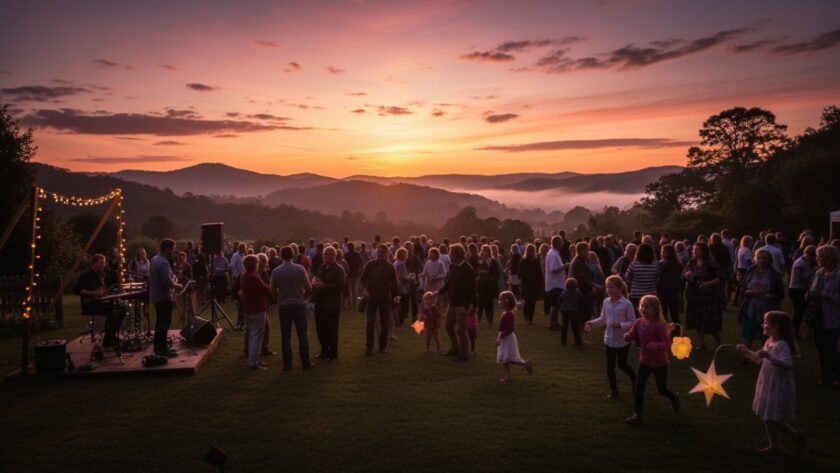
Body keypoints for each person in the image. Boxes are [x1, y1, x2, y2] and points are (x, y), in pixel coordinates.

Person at [737, 312, 804, 454]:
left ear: (776, 328)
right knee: (767, 415)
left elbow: (787, 364)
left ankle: (795, 434)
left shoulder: (782, 345)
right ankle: (774, 445)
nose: (763, 325)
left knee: (771, 416)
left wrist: (769, 356)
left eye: (766, 322)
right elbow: (759, 360)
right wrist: (747, 351)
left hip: (778, 385)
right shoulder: (769, 341)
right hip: (767, 383)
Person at [624, 295, 679, 425]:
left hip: (660, 363)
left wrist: (656, 345)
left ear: (655, 310)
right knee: (639, 388)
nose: (644, 309)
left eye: (647, 307)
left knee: (661, 389)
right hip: (644, 361)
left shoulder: (659, 326)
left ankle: (674, 397)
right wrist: (627, 336)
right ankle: (637, 415)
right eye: (642, 306)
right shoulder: (638, 322)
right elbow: (632, 335)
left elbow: (667, 343)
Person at [585, 276, 636, 400]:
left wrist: (621, 325)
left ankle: (636, 379)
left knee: (622, 365)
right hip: (609, 340)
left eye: (611, 287)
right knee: (610, 367)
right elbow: (603, 319)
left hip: (623, 341)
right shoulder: (606, 302)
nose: (608, 290)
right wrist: (592, 322)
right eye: (607, 287)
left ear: (619, 288)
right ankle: (614, 391)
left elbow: (633, 322)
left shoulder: (626, 304)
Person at [270, 246, 314, 371]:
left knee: (285, 336)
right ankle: (306, 362)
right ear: (293, 255)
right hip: (299, 304)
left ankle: (287, 365)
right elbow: (309, 287)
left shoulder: (276, 271)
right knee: (302, 335)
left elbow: (272, 290)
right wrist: (303, 297)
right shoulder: (300, 269)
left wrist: (278, 296)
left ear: (280, 255)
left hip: (284, 305)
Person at [738, 249, 784, 357]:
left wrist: (767, 295)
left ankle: (766, 357)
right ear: (755, 258)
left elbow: (780, 294)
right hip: (750, 307)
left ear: (769, 260)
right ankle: (745, 356)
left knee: (766, 334)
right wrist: (748, 291)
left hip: (767, 309)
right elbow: (742, 287)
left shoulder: (775, 274)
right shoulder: (751, 270)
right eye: (759, 258)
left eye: (764, 258)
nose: (761, 260)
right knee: (747, 333)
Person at [74, 254, 126, 348]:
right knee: (111, 312)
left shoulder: (99, 275)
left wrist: (106, 293)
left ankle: (111, 336)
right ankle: (108, 340)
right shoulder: (86, 275)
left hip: (99, 302)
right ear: (93, 263)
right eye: (101, 263)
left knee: (122, 308)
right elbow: (79, 291)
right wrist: (94, 293)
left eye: (104, 263)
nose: (103, 265)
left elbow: (100, 291)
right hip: (89, 304)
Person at [436, 243, 476, 361]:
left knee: (461, 330)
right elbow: (449, 283)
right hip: (452, 303)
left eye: (452, 253)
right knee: (448, 326)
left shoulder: (468, 269)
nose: (450, 255)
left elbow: (472, 290)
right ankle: (455, 348)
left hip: (462, 305)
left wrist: (467, 305)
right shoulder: (452, 266)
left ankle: (464, 353)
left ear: (458, 254)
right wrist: (438, 292)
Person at [807, 244, 840, 386]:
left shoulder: (838, 275)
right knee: (820, 346)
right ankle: (826, 376)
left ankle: (837, 375)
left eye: (820, 257)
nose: (817, 259)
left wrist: (823, 295)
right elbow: (813, 289)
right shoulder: (819, 272)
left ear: (830, 259)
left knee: (830, 347)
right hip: (818, 315)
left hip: (833, 316)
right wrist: (809, 294)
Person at [360, 244, 400, 355]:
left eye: (383, 253)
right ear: (376, 253)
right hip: (371, 297)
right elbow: (362, 280)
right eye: (379, 252)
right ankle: (369, 347)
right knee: (369, 322)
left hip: (385, 298)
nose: (381, 255)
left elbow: (395, 284)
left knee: (385, 323)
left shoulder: (390, 267)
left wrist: (396, 296)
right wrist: (364, 290)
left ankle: (382, 347)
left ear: (387, 254)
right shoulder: (369, 265)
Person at [684, 242, 724, 350]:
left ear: (703, 251)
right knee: (697, 320)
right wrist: (686, 275)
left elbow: (720, 277)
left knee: (709, 320)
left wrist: (707, 283)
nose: (695, 252)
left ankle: (719, 342)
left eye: (697, 249)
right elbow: (685, 273)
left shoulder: (711, 263)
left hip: (709, 296)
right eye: (694, 250)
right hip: (694, 295)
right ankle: (701, 343)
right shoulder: (691, 262)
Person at [313, 246, 346, 362]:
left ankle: (332, 353)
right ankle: (324, 351)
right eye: (325, 254)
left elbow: (340, 286)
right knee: (320, 328)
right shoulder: (320, 267)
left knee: (331, 329)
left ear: (335, 256)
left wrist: (324, 286)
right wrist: (315, 283)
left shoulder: (339, 270)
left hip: (332, 304)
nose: (327, 256)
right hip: (320, 303)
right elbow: (317, 279)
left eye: (330, 254)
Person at [150, 239, 181, 358]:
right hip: (163, 297)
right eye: (173, 248)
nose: (174, 251)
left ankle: (159, 347)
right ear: (167, 248)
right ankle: (162, 349)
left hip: (156, 296)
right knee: (164, 323)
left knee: (159, 323)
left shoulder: (154, 259)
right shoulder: (163, 262)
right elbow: (166, 282)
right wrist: (177, 285)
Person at [240, 254, 271, 370]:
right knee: (257, 337)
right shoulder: (254, 277)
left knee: (252, 335)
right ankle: (253, 362)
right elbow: (266, 290)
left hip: (248, 309)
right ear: (254, 265)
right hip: (257, 309)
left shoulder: (243, 276)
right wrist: (271, 284)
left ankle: (254, 359)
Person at [495, 290, 533, 382]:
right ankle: (510, 375)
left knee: (507, 358)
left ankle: (524, 365)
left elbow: (510, 328)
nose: (499, 302)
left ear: (506, 302)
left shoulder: (508, 314)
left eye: (501, 300)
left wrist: (501, 337)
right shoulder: (505, 313)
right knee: (505, 358)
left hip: (507, 338)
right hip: (504, 337)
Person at [789, 245, 817, 339]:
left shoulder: (804, 261)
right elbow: (801, 277)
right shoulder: (800, 263)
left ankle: (795, 330)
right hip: (797, 289)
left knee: (801, 311)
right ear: (810, 255)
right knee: (799, 311)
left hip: (800, 289)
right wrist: (813, 272)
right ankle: (794, 331)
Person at [626, 243, 659, 313]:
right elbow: (657, 278)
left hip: (636, 294)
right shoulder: (655, 265)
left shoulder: (634, 265)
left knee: (637, 315)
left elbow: (627, 277)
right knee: (651, 315)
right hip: (651, 294)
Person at [545, 236, 568, 330]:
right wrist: (565, 266)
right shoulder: (554, 255)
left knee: (557, 305)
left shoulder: (553, 253)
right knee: (555, 305)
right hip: (555, 284)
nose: (563, 244)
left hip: (556, 283)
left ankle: (555, 322)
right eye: (561, 242)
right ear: (557, 243)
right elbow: (553, 269)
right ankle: (552, 324)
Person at [658, 244, 684, 326]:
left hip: (673, 290)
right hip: (662, 291)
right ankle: (665, 330)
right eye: (662, 251)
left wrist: (680, 290)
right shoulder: (659, 264)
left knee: (674, 314)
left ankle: (677, 330)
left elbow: (680, 278)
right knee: (663, 313)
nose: (663, 253)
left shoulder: (677, 265)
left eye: (665, 252)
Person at [475, 244, 501, 325]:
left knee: (488, 304)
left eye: (484, 251)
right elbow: (477, 271)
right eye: (482, 251)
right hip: (481, 285)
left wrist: (487, 274)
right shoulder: (480, 262)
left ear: (488, 252)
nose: (482, 253)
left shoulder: (492, 261)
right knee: (480, 304)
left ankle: (489, 320)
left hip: (489, 286)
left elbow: (496, 274)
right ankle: (478, 320)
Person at [518, 243, 543, 325]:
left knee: (526, 301)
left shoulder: (523, 261)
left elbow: (520, 274)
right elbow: (539, 273)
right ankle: (530, 320)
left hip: (525, 284)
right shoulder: (536, 261)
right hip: (534, 284)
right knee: (532, 302)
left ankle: (526, 319)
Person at [556, 278, 585, 346]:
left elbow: (559, 300)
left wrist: (559, 306)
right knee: (575, 327)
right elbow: (581, 300)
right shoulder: (577, 292)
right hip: (573, 311)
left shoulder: (563, 292)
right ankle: (577, 341)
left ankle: (563, 341)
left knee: (564, 327)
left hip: (565, 311)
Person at [173, 251, 197, 329]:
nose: (181, 259)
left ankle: (194, 323)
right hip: (179, 289)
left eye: (183, 257)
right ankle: (184, 324)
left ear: (185, 258)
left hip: (188, 288)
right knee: (181, 308)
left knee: (191, 307)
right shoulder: (175, 267)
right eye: (180, 257)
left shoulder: (188, 266)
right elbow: (174, 277)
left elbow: (190, 277)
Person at [343, 242, 363, 311]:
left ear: (348, 248)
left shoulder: (346, 255)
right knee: (355, 289)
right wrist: (360, 273)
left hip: (349, 274)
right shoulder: (357, 254)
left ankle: (350, 303)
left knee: (349, 289)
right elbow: (361, 264)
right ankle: (355, 304)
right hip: (356, 273)